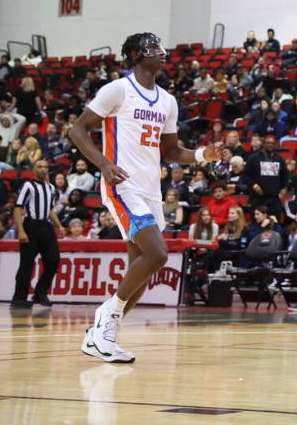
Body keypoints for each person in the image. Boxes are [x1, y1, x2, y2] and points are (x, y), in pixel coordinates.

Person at [69, 33, 223, 363]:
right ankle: (105, 317)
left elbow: (169, 151)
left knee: (140, 272)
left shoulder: (167, 100)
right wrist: (104, 164)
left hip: (151, 190)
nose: (162, 52)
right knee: (157, 254)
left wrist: (202, 155)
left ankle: (99, 338)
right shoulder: (117, 90)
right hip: (122, 185)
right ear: (137, 55)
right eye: (153, 47)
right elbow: (77, 130)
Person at [10, 159, 62, 308]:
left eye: (46, 167)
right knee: (26, 264)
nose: (43, 169)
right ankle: (19, 298)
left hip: (46, 226)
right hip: (30, 225)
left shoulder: (51, 188)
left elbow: (50, 209)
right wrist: (20, 230)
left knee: (53, 260)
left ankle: (40, 293)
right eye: (40, 167)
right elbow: (18, 208)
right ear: (34, 170)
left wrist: (59, 225)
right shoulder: (28, 186)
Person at [245, 135, 288, 218]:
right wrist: (254, 185)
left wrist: (284, 188)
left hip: (274, 199)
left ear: (275, 145)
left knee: (274, 222)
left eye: (272, 143)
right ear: (263, 144)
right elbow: (246, 176)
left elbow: (285, 177)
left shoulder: (279, 159)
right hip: (257, 198)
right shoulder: (253, 158)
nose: (270, 145)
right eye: (268, 143)